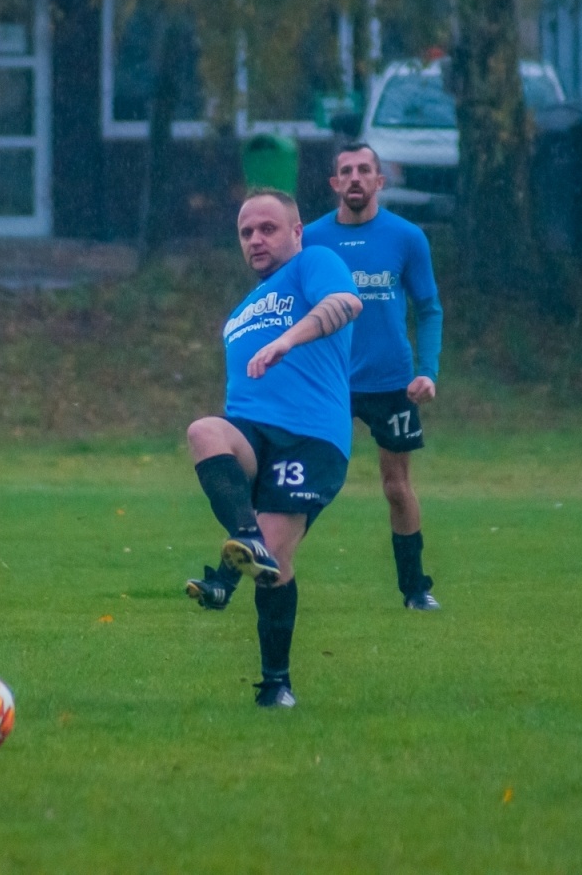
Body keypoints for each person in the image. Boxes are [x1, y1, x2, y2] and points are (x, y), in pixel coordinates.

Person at [183, 189, 362, 708]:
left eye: (268, 228)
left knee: (275, 559)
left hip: (311, 440)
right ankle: (240, 549)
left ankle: (275, 684)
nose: (256, 239)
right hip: (255, 436)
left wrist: (289, 339)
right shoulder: (238, 313)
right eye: (246, 232)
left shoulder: (315, 263)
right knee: (203, 431)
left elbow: (345, 304)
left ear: (297, 231)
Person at [302, 142, 445, 609]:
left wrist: (428, 371)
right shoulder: (313, 239)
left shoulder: (406, 237)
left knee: (396, 487)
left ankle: (415, 591)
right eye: (347, 171)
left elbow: (428, 308)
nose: (356, 178)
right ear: (335, 184)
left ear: (380, 181)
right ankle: (267, 569)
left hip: (392, 383)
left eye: (365, 169)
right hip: (331, 382)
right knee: (308, 482)